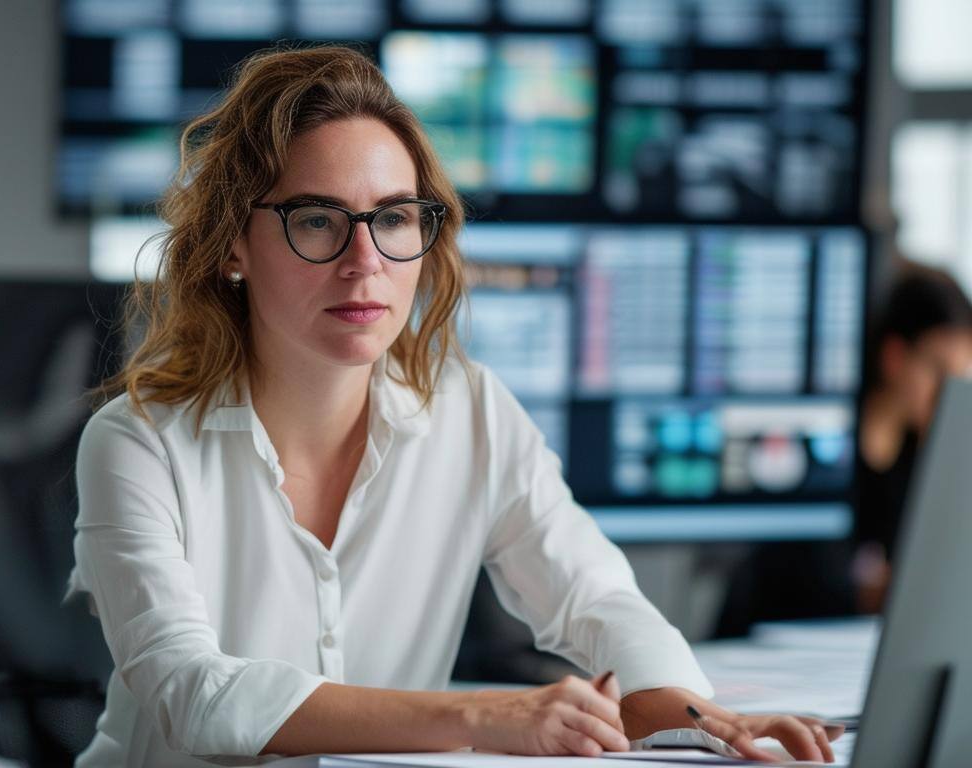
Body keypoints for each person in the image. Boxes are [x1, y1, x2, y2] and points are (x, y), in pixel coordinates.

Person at [66, 45, 840, 767]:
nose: (364, 260)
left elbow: (595, 597)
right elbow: (191, 692)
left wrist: (707, 724)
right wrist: (477, 719)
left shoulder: (469, 412)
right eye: (316, 221)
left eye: (395, 218)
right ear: (235, 243)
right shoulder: (137, 444)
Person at [851, 260, 972, 613]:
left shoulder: (924, 460)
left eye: (960, 376)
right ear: (894, 357)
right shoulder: (831, 457)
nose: (946, 394)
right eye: (936, 370)